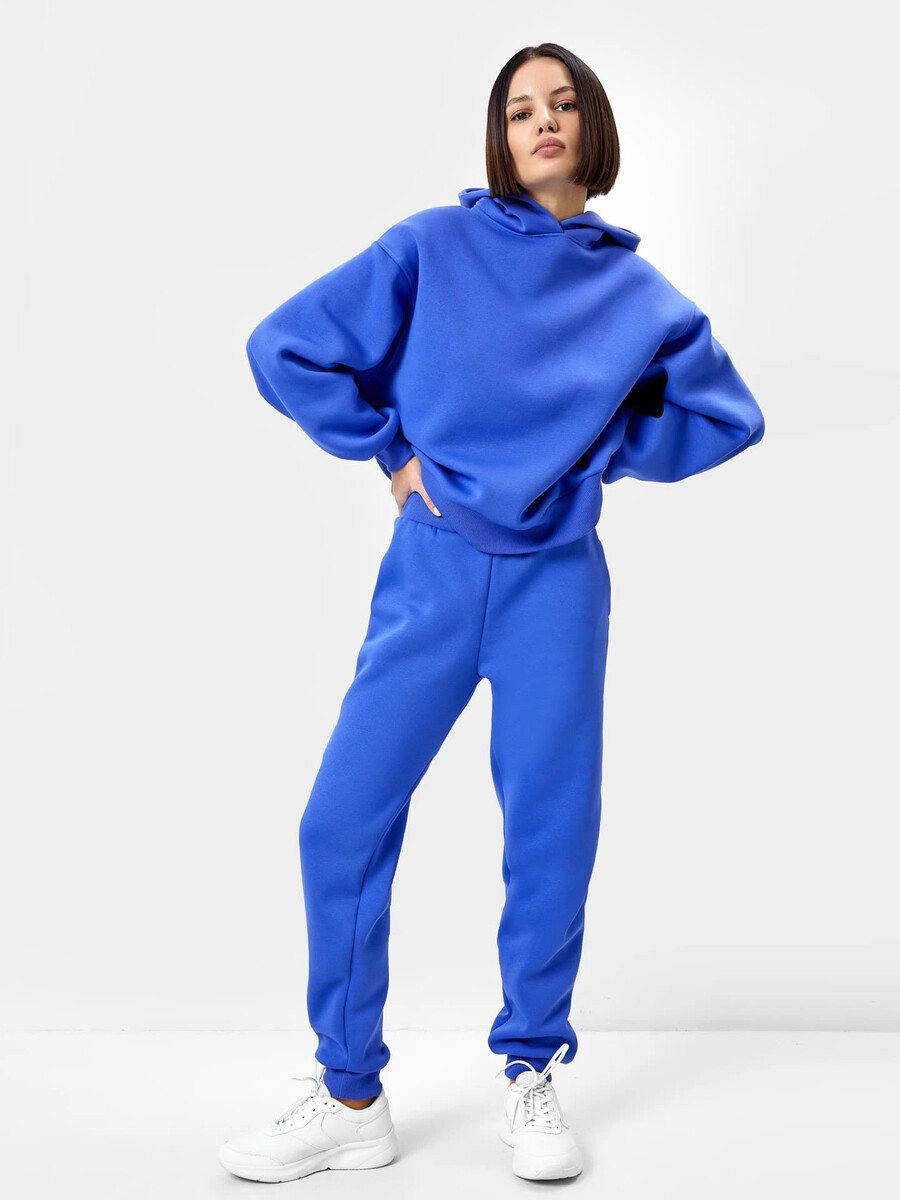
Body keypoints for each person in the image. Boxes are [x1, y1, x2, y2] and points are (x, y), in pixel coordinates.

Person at [218, 41, 765, 1184]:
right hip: (431, 567)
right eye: (521, 110)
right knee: (340, 820)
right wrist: (389, 452)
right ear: (500, 137)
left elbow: (729, 417)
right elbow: (286, 346)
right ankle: (350, 1095)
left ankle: (531, 1071)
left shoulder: (636, 296)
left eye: (563, 104)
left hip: (556, 585)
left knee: (550, 829)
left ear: (593, 128)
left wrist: (600, 450)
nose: (543, 122)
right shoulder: (432, 245)